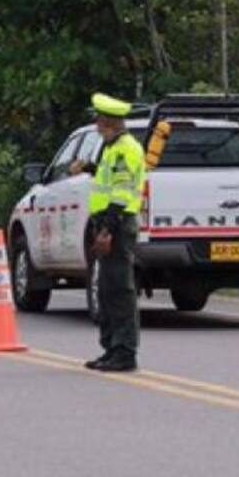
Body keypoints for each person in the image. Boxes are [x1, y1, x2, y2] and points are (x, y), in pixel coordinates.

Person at [81, 93, 146, 373]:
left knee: (120, 289)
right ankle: (110, 348)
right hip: (107, 222)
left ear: (110, 122)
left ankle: (125, 351)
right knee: (106, 289)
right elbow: (110, 181)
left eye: (99, 120)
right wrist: (89, 169)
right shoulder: (111, 148)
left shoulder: (125, 149)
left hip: (118, 224)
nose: (96, 125)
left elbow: (121, 192)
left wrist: (107, 229)